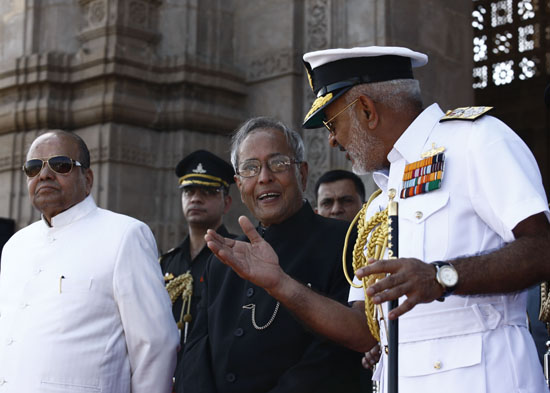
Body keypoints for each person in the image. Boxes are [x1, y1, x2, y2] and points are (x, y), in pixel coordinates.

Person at [204, 47, 550, 393]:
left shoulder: (476, 140)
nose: (333, 139)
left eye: (333, 123)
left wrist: (442, 276)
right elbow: (362, 330)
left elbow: (542, 249)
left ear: (367, 110)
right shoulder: (379, 202)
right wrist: (280, 284)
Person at [181, 117, 361, 393]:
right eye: (250, 169)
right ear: (240, 185)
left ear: (302, 173)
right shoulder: (223, 260)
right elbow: (195, 352)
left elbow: (337, 352)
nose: (264, 177)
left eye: (278, 164)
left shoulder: (345, 241)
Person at [0, 130, 179, 392]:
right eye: (33, 167)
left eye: (61, 165)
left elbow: (156, 345)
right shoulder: (16, 246)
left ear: (88, 178)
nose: (45, 175)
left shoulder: (123, 235)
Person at [160, 149, 234, 388]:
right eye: (189, 191)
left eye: (208, 192)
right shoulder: (167, 262)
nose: (196, 198)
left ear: (227, 202)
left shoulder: (237, 255)